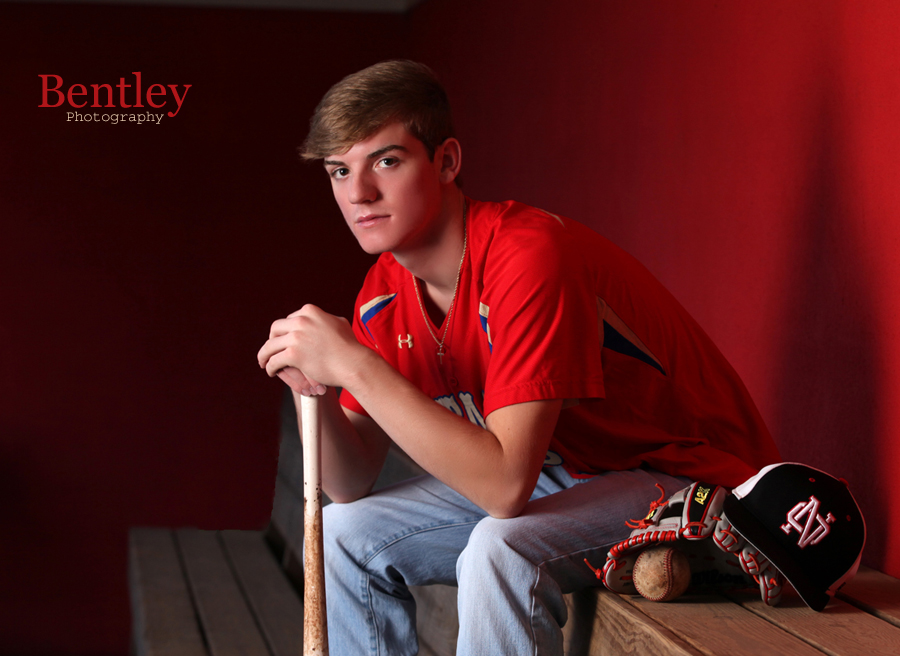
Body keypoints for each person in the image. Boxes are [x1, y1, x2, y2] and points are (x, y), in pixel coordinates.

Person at [257, 60, 781, 655]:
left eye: (386, 160)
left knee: (498, 548)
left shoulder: (527, 255)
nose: (358, 193)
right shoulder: (383, 294)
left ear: (447, 161)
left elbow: (505, 488)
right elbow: (349, 483)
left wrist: (354, 365)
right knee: (344, 535)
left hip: (688, 480)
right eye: (338, 171)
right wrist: (316, 390)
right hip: (566, 475)